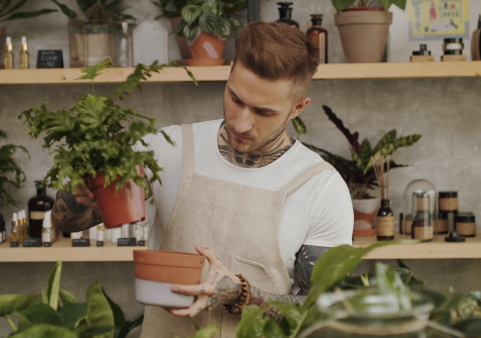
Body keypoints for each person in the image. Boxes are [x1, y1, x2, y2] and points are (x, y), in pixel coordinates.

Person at [52, 21, 353, 337]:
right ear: (230, 72)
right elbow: (68, 222)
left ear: (297, 108)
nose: (241, 123)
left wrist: (241, 294)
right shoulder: (166, 148)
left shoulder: (321, 188)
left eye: (263, 112)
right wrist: (79, 192)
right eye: (235, 98)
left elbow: (322, 315)